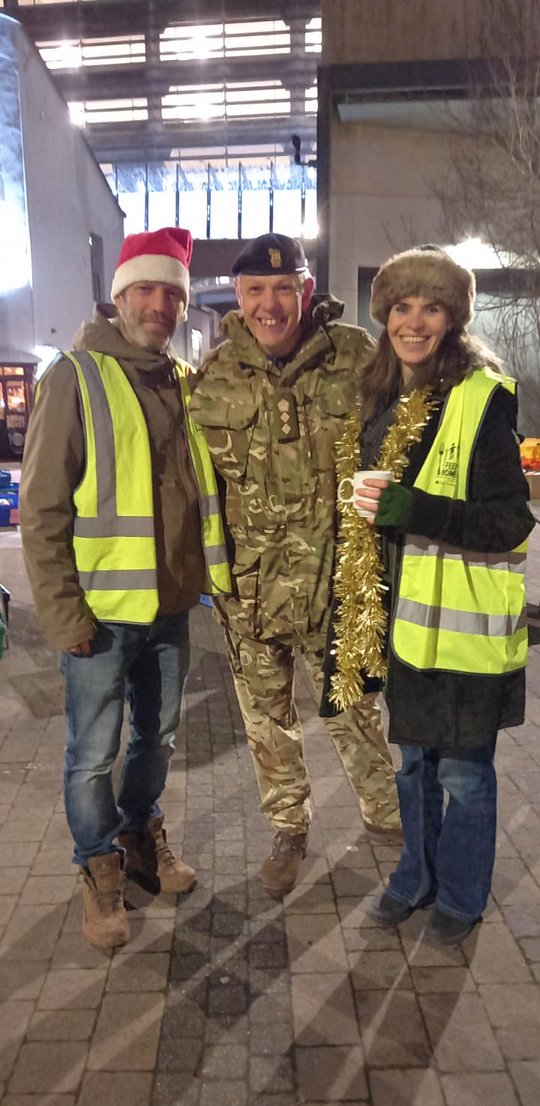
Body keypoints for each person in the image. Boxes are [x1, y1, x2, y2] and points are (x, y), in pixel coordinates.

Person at [19, 227, 231, 949]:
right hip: (100, 616)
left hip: (171, 609)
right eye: (148, 289)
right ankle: (98, 869)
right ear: (120, 297)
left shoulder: (179, 380)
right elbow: (41, 507)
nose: (162, 305)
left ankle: (140, 833)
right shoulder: (72, 377)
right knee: (90, 755)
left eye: (173, 293)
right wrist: (61, 612)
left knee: (159, 740)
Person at [327, 245, 535, 944]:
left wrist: (416, 511)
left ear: (453, 318)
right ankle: (414, 878)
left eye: (432, 307)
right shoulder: (378, 395)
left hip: (466, 631)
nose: (414, 322)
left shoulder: (481, 399)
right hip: (400, 623)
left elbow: (512, 522)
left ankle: (461, 897)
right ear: (385, 316)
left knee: (466, 777)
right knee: (412, 766)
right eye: (402, 308)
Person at [189, 232, 400, 901]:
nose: (271, 304)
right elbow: (193, 485)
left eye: (285, 288)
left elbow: (404, 436)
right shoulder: (214, 377)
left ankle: (386, 815)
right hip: (248, 594)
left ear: (306, 290)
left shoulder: (357, 360)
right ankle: (288, 827)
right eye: (256, 291)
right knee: (266, 722)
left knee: (354, 710)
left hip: (335, 587)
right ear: (239, 297)